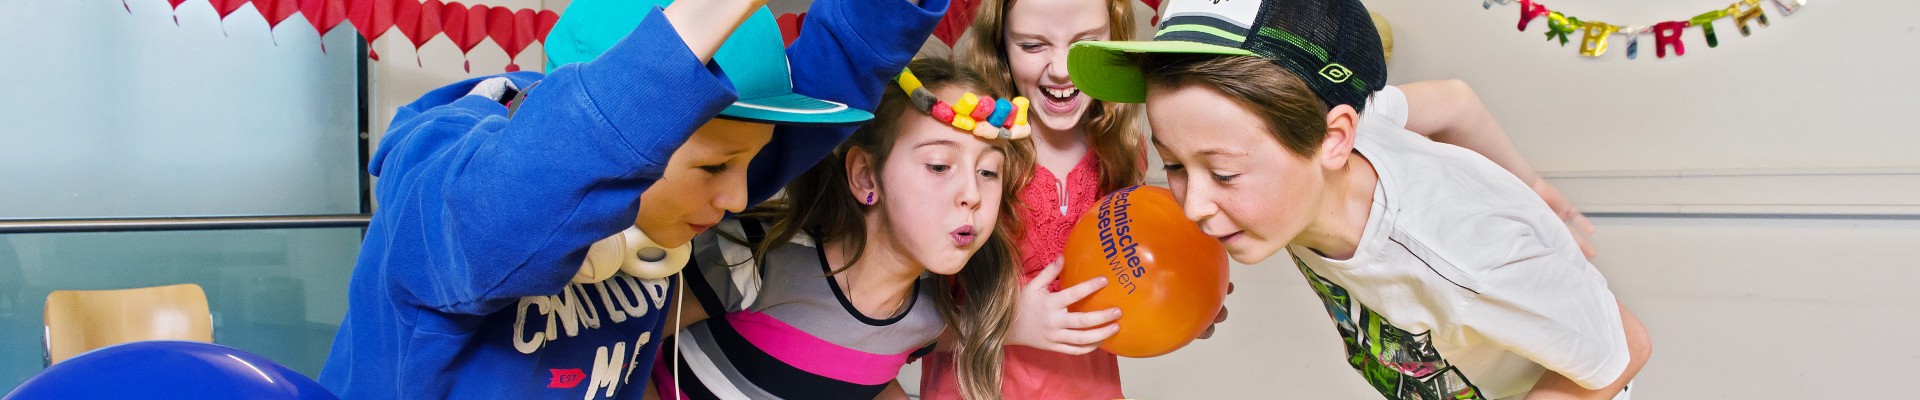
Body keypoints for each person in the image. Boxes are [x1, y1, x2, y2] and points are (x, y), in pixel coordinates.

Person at [316, 0, 946, 397]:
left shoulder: (678, 189)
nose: (737, 195)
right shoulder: (446, 190)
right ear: (628, 141)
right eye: (717, 166)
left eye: (750, 162)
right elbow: (510, 209)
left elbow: (840, 65)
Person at [1067, 0, 1651, 398]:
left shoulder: (1461, 258)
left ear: (1333, 139)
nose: (1191, 206)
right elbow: (1455, 101)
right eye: (1172, 164)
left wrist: (1519, 207)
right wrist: (1535, 187)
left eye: (1222, 173)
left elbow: (1624, 349)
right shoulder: (1343, 137)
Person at [648, 57, 1026, 400]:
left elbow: (855, 375)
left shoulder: (926, 318)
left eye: (988, 172)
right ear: (866, 177)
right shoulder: (755, 256)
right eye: (939, 166)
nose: (972, 195)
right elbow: (626, 346)